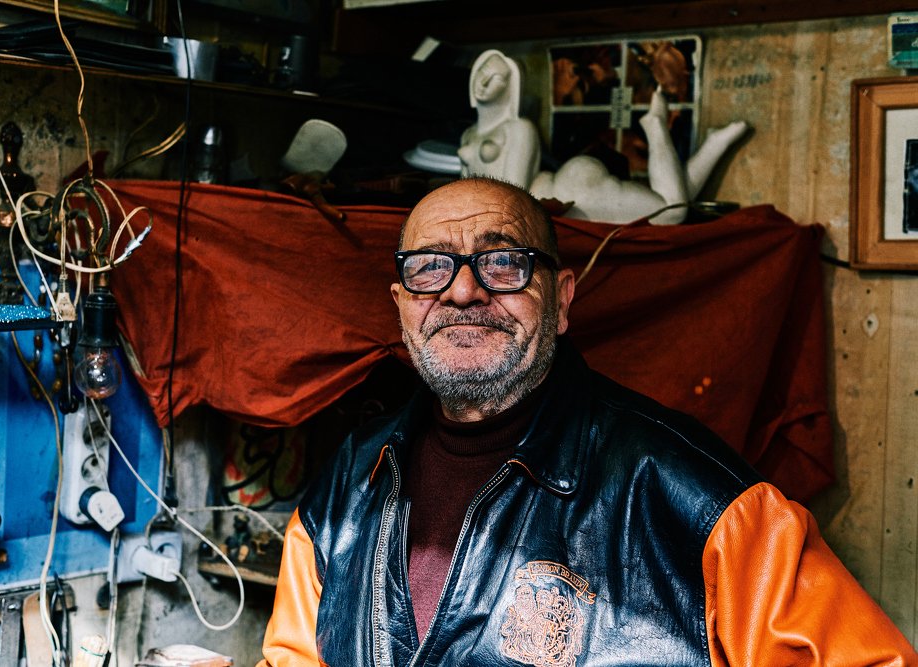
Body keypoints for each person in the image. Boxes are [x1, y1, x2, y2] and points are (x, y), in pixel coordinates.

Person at [258, 177, 917, 666]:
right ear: (402, 305)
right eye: (430, 267)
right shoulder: (346, 487)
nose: (462, 290)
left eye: (502, 261)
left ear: (562, 299)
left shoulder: (700, 501)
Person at [532, 86, 749, 224]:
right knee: (673, 203)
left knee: (672, 211)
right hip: (562, 193)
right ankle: (713, 144)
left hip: (572, 197)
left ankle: (655, 124)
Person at [458, 50, 541, 190]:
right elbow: (463, 188)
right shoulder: (467, 134)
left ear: (509, 88)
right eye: (482, 72)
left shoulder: (520, 129)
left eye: (496, 79)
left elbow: (515, 192)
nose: (484, 83)